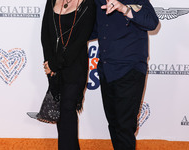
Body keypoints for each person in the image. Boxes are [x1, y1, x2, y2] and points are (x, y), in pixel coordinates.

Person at [91, 0, 159, 149]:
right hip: (106, 71)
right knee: (114, 126)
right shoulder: (97, 2)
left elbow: (152, 22)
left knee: (124, 129)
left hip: (130, 71)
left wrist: (125, 9)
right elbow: (93, 29)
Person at [41, 0, 96, 149]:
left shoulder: (88, 4)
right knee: (62, 113)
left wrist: (54, 64)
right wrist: (49, 62)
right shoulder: (52, 1)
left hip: (75, 68)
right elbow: (45, 33)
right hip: (53, 69)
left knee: (66, 110)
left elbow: (79, 42)